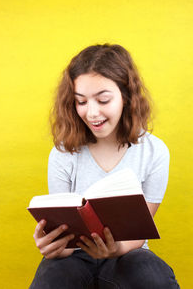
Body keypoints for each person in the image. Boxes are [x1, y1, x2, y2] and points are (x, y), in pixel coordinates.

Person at [29, 44, 180, 288]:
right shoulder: (63, 152)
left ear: (126, 96)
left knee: (152, 277)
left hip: (127, 254)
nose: (91, 113)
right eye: (81, 101)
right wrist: (53, 246)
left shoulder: (154, 151)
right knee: (51, 278)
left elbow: (139, 234)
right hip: (76, 256)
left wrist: (115, 248)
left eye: (103, 100)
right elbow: (64, 232)